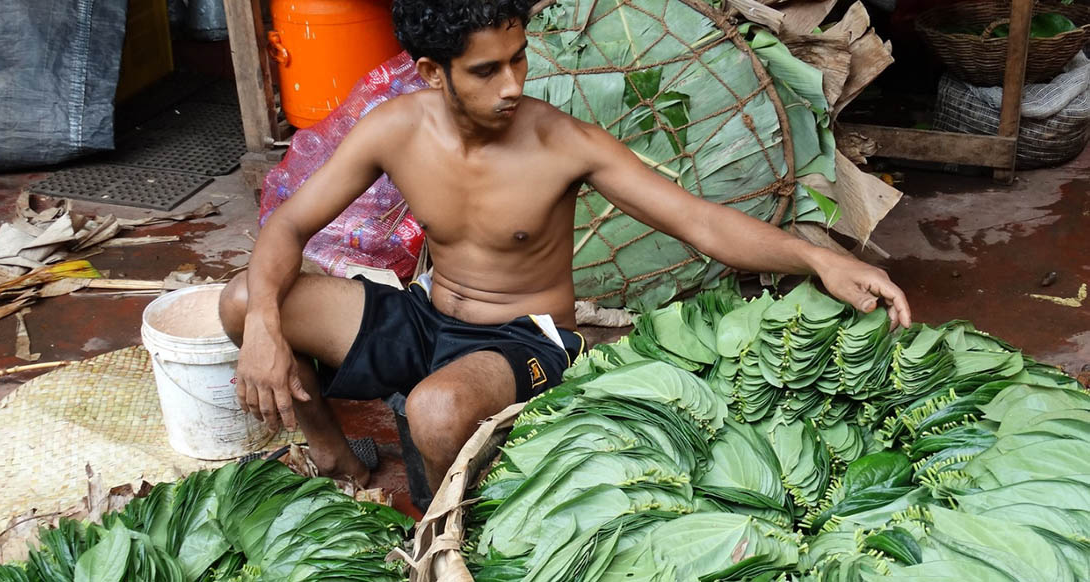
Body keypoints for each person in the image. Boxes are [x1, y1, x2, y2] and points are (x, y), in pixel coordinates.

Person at [219, 0, 912, 498]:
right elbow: (285, 227)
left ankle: (445, 535)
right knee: (245, 300)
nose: (514, 85)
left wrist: (820, 258)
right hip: (426, 316)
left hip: (523, 338)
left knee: (435, 409)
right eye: (486, 71)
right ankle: (341, 463)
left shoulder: (561, 142)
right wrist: (264, 332)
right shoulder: (393, 128)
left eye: (518, 59)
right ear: (432, 73)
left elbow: (700, 223)